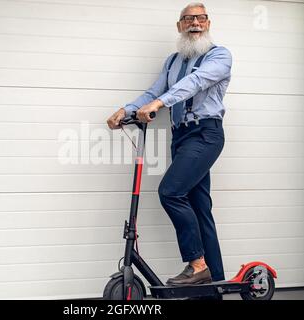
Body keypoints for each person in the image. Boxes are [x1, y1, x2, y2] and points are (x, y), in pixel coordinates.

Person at [107, 2, 232, 285]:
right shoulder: (173, 61)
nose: (194, 23)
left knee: (171, 192)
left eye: (200, 18)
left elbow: (196, 82)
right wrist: (125, 111)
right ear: (179, 26)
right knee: (200, 208)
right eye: (188, 19)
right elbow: (154, 91)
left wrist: (159, 103)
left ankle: (197, 264)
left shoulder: (220, 56)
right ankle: (214, 286)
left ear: (208, 23)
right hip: (181, 137)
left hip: (205, 134)